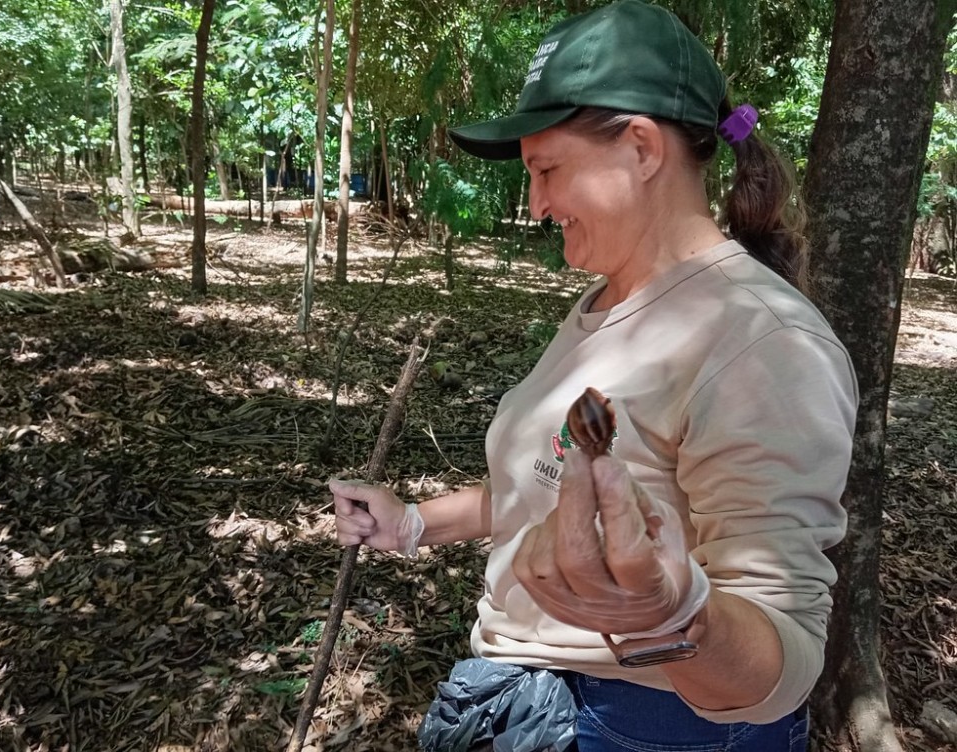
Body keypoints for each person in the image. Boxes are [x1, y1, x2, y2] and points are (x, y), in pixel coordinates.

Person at [329, 1, 858, 750]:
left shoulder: (762, 342)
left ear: (642, 148)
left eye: (547, 170)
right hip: (534, 701)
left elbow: (786, 659)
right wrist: (414, 523)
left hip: (651, 725)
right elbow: (547, 483)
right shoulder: (608, 301)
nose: (537, 205)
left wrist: (671, 620)